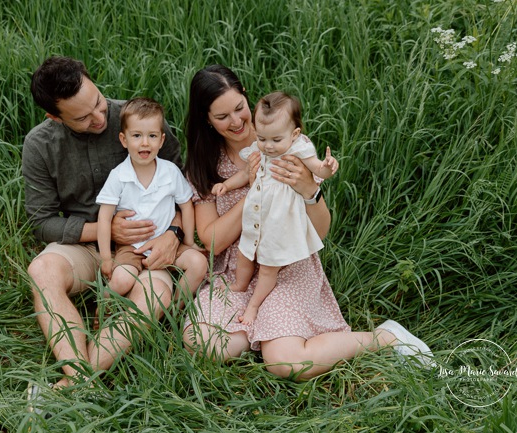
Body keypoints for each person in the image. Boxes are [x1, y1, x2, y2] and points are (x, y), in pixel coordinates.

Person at [182, 64, 434, 380]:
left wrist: (310, 190)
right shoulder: (203, 165)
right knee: (202, 342)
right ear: (207, 119)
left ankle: (384, 338)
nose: (236, 122)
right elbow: (213, 241)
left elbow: (320, 230)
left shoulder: (285, 143)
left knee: (286, 364)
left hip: (288, 266)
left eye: (239, 109)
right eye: (222, 117)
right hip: (237, 271)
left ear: (247, 97)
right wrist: (255, 186)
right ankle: (267, 329)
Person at [22, 56, 192, 391]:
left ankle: (77, 379)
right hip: (86, 245)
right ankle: (80, 375)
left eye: (99, 103)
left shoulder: (138, 122)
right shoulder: (40, 145)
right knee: (41, 272)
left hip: (148, 243)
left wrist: (174, 232)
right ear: (54, 117)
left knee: (155, 295)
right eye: (83, 117)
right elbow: (41, 222)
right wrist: (105, 231)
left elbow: (184, 188)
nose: (99, 118)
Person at [211, 91, 339, 324]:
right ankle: (239, 285)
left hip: (278, 227)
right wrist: (226, 186)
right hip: (255, 220)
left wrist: (327, 168)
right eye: (262, 138)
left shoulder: (298, 150)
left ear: (295, 134)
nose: (268, 146)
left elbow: (318, 169)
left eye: (275, 140)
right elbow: (244, 174)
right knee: (244, 253)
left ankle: (253, 305)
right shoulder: (262, 147)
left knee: (268, 269)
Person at [96, 97, 207, 303]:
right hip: (133, 247)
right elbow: (104, 218)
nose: (145, 142)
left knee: (199, 264)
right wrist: (105, 258)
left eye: (152, 135)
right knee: (121, 280)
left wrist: (189, 242)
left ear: (162, 140)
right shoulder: (119, 176)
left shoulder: (170, 172)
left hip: (166, 243)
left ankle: (176, 306)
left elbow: (186, 205)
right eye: (137, 135)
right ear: (124, 139)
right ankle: (104, 307)